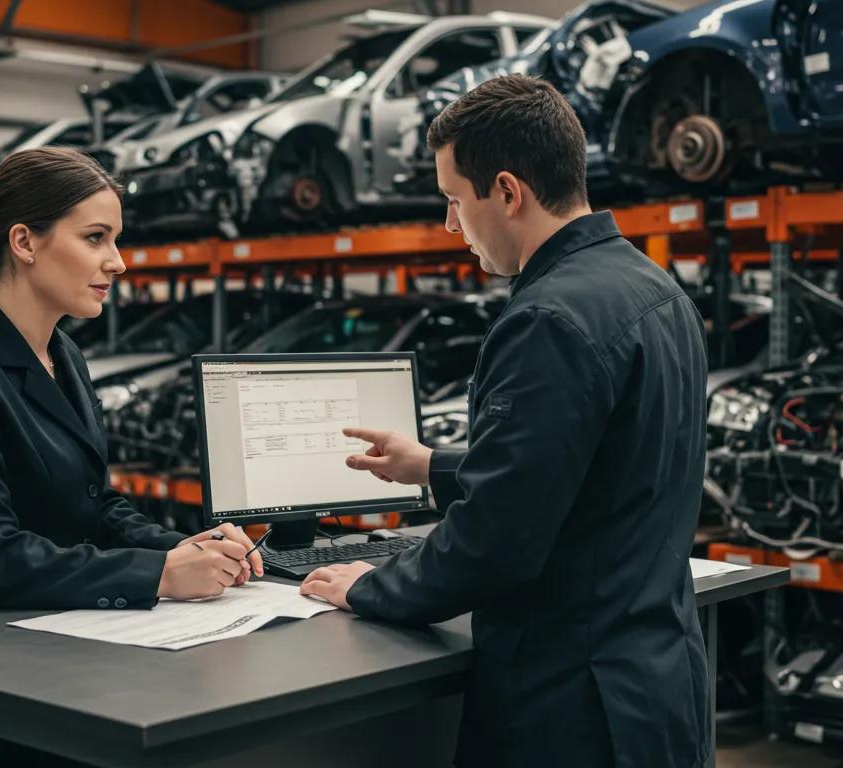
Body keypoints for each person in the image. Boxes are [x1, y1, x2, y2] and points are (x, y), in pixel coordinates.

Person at [299, 75, 711, 767]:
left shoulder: (548, 319)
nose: (452, 227)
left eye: (456, 202)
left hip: (573, 707)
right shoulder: (653, 288)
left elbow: (499, 540)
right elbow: (597, 464)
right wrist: (433, 465)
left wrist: (372, 587)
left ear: (509, 192)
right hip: (656, 686)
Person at [0, 147, 263, 766]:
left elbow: (91, 501)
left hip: (50, 655)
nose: (119, 261)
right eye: (96, 238)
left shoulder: (62, 354)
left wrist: (183, 547)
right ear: (24, 242)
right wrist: (156, 576)